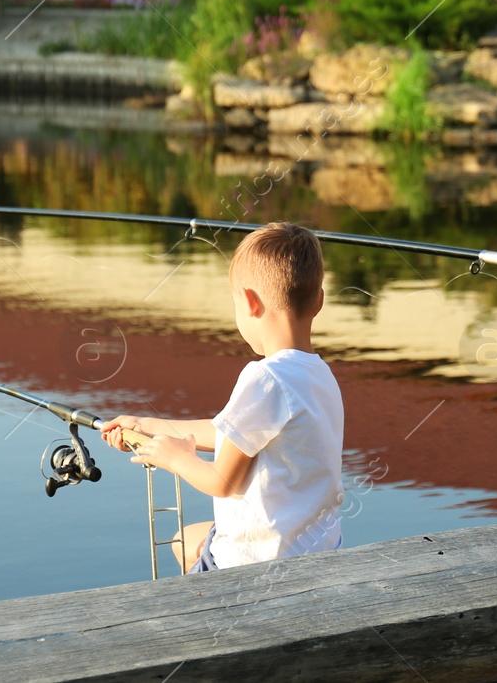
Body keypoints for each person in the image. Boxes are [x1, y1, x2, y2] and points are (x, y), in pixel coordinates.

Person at [102, 222, 345, 572]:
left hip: (259, 566)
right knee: (185, 541)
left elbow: (223, 482)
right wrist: (148, 426)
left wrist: (178, 459)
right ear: (319, 301)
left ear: (249, 302)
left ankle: (210, 619)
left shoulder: (263, 377)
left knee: (186, 545)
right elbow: (234, 433)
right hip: (317, 552)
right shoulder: (320, 375)